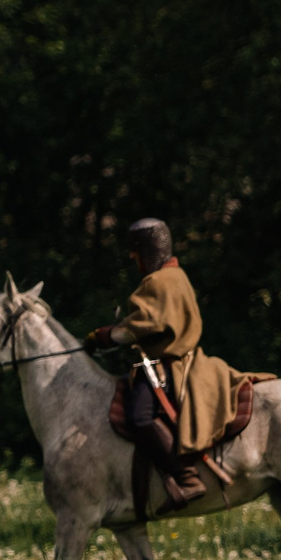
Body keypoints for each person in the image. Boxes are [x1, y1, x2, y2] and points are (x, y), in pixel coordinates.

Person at [87, 217, 243, 511]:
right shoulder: (178, 276)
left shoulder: (157, 282)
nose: (133, 260)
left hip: (165, 366)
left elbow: (141, 326)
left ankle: (186, 478)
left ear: (145, 251)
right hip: (187, 359)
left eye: (135, 253)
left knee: (139, 417)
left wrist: (103, 335)